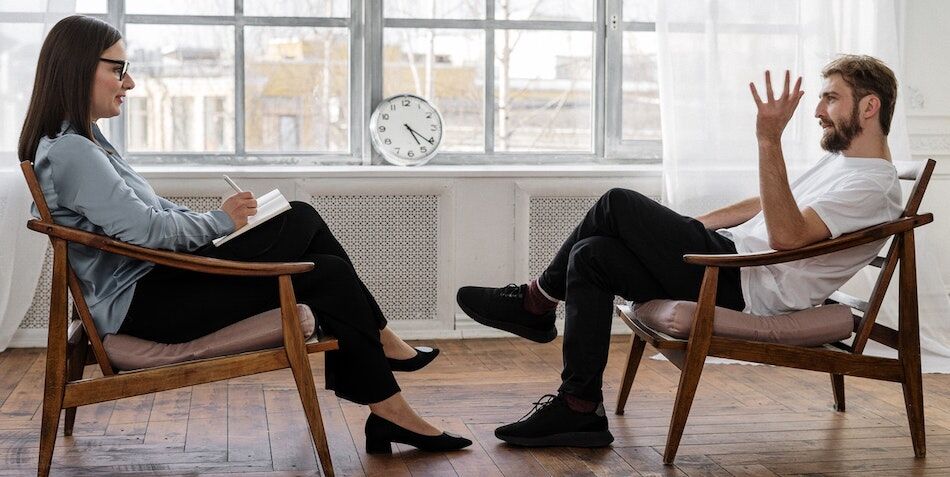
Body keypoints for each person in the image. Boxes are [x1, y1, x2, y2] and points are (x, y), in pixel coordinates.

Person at [19, 15, 470, 454]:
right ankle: (384, 356)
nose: (130, 83)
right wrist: (221, 222)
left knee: (318, 253)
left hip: (154, 287)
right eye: (119, 69)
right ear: (79, 68)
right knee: (306, 229)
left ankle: (389, 406)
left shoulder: (85, 143)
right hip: (145, 306)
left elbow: (151, 213)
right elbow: (146, 230)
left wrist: (222, 221)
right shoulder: (74, 151)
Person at [457, 55, 903, 447]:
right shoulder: (843, 164)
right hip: (732, 262)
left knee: (617, 202)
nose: (818, 111)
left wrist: (768, 139)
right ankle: (579, 406)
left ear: (869, 106)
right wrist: (691, 227)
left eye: (831, 99)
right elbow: (768, 203)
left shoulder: (873, 186)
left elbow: (786, 236)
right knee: (591, 254)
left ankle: (536, 302)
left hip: (744, 284)